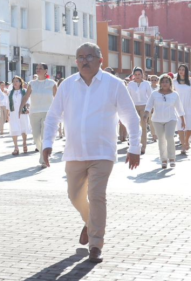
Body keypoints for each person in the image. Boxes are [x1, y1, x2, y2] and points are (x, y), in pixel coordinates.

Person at [42, 43, 140, 264]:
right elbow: (53, 116)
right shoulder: (67, 86)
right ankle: (90, 222)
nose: (84, 60)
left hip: (102, 153)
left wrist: (134, 147)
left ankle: (96, 244)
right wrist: (47, 143)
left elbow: (131, 118)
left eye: (89, 56)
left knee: (96, 196)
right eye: (80, 57)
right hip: (74, 153)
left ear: (100, 60)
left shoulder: (114, 85)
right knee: (74, 196)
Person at [144, 75, 185, 168]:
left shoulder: (175, 94)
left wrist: (183, 119)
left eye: (167, 81)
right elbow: (149, 105)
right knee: (161, 140)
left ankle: (172, 158)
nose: (164, 83)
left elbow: (179, 108)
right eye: (163, 82)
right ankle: (163, 159)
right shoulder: (154, 94)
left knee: (169, 137)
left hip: (171, 119)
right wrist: (146, 114)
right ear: (160, 83)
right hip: (157, 120)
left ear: (170, 83)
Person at [20, 63, 57, 166]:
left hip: (48, 113)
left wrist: (61, 111)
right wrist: (20, 108)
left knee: (44, 136)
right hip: (34, 113)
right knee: (36, 137)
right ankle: (44, 153)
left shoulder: (52, 83)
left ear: (46, 71)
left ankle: (43, 158)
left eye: (40, 68)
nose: (38, 69)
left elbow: (57, 98)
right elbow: (26, 97)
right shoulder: (32, 83)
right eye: (37, 68)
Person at [174, 64, 191, 155]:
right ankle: (183, 145)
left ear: (186, 71)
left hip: (189, 105)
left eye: (183, 69)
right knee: (179, 126)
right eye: (180, 69)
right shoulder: (174, 81)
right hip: (178, 106)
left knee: (189, 125)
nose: (181, 71)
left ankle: (186, 141)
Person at [126, 67, 152, 155]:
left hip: (144, 106)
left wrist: (150, 108)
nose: (137, 76)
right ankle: (134, 145)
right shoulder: (130, 84)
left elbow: (150, 96)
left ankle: (143, 146)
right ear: (133, 75)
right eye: (135, 74)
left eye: (139, 74)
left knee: (143, 126)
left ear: (142, 75)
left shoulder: (146, 84)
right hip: (133, 107)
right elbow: (128, 97)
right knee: (133, 126)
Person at [6, 76, 31, 155]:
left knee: (23, 127)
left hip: (22, 112)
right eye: (14, 81)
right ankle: (16, 147)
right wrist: (7, 114)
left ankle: (24, 143)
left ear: (20, 83)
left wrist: (27, 108)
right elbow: (8, 104)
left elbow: (28, 101)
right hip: (13, 113)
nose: (15, 83)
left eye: (17, 81)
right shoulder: (10, 93)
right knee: (14, 128)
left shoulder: (24, 91)